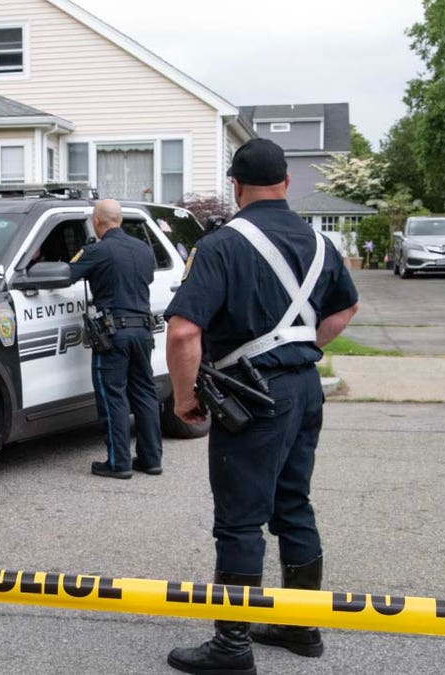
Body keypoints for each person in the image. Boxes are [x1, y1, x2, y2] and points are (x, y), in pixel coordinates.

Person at [162, 138, 359, 674]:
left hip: (251, 394)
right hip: (304, 386)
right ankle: (300, 626)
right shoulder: (320, 242)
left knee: (240, 522)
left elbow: (183, 332)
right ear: (287, 183)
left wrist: (184, 399)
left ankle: (232, 647)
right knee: (293, 504)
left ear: (235, 185)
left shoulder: (222, 244)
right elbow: (346, 308)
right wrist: (306, 347)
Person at [68, 199, 162, 479]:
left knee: (113, 397)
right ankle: (151, 460)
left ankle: (119, 462)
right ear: (119, 220)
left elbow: (67, 275)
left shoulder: (96, 250)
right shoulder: (144, 249)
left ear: (97, 222)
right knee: (145, 394)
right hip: (143, 332)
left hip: (114, 335)